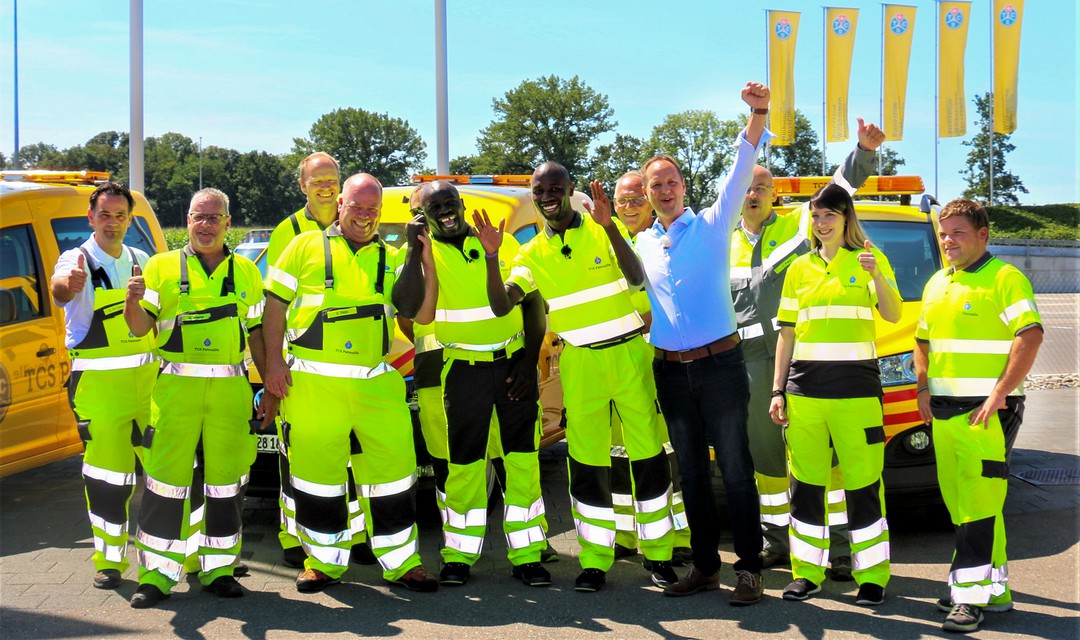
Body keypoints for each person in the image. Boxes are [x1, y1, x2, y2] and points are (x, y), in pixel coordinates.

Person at [474, 163, 674, 593]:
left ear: (569, 191)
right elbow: (500, 305)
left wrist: (611, 228)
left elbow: (637, 277)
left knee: (648, 456)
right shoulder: (529, 254)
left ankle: (659, 555)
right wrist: (492, 257)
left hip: (629, 354)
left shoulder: (604, 229)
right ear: (533, 194)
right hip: (581, 361)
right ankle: (595, 559)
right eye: (540, 189)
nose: (548, 196)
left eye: (555, 188)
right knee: (586, 462)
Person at [262, 173, 438, 594]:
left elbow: (422, 314)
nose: (364, 216)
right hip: (313, 383)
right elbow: (274, 308)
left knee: (395, 476)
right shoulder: (302, 246)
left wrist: (423, 259)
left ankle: (402, 563)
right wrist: (272, 365)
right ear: (340, 204)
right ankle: (322, 563)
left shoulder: (392, 257)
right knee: (317, 479)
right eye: (357, 207)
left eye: (372, 209)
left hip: (375, 384)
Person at [732, 118, 886, 580]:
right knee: (767, 456)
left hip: (798, 358)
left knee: (829, 459)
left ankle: (840, 549)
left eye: (762, 187)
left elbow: (840, 189)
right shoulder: (724, 240)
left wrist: (863, 151)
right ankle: (778, 542)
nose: (753, 194)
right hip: (749, 366)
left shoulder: (799, 227)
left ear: (774, 194)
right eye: (747, 187)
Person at [635, 82, 770, 606]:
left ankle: (751, 571)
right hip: (669, 371)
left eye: (670, 181)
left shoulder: (715, 224)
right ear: (646, 194)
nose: (664, 190)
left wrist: (757, 114)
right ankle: (707, 567)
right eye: (655, 184)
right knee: (690, 473)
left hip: (720, 367)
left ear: (683, 186)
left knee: (735, 469)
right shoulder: (642, 243)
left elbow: (741, 166)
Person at [394, 181, 551, 588]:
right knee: (462, 466)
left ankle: (529, 554)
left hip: (513, 367)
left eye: (450, 204)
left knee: (522, 461)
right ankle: (459, 555)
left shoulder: (497, 240)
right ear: (422, 216)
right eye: (434, 208)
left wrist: (527, 359)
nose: (445, 212)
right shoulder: (423, 254)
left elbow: (533, 301)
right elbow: (408, 309)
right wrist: (415, 250)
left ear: (461, 205)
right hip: (461, 369)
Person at [124, 188, 269, 607]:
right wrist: (132, 302)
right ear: (187, 221)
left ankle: (219, 568)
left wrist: (267, 386)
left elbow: (257, 332)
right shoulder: (161, 266)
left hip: (230, 389)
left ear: (228, 222)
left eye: (213, 217)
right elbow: (139, 329)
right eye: (197, 217)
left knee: (226, 484)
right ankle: (156, 575)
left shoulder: (247, 271)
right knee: (166, 483)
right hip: (176, 389)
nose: (204, 225)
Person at [768, 183, 902, 606]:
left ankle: (873, 577)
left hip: (857, 393)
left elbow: (895, 314)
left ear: (847, 219)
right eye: (816, 215)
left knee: (863, 487)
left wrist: (875, 274)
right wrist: (778, 389)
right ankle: (806, 573)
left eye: (829, 215)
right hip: (805, 392)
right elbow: (787, 335)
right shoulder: (798, 269)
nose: (821, 223)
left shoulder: (870, 260)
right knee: (806, 486)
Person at [914, 199, 1042, 633]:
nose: (948, 241)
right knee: (960, 503)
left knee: (977, 506)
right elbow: (922, 339)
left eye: (958, 233)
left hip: (987, 413)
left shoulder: (1004, 278)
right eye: (944, 233)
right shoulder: (936, 283)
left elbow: (1031, 335)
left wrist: (999, 394)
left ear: (982, 234)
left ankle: (967, 599)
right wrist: (922, 386)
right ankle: (997, 591)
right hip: (946, 412)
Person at [263, 152, 372, 569]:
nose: (326, 186)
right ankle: (293, 537)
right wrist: (276, 363)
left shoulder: (358, 225)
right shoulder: (287, 233)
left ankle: (356, 534)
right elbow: (274, 302)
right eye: (317, 180)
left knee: (350, 455)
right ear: (302, 185)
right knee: (297, 455)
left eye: (332, 179)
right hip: (301, 364)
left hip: (350, 367)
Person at [50, 182, 158, 591]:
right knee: (107, 478)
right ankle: (110, 561)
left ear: (129, 220)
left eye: (120, 216)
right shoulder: (75, 258)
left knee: (166, 473)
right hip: (98, 385)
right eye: (105, 215)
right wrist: (69, 286)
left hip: (148, 383)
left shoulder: (140, 258)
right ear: (91, 218)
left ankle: (173, 556)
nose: (112, 223)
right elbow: (60, 289)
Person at [609, 171, 693, 570]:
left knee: (665, 453)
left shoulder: (659, 240)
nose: (628, 207)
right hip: (611, 362)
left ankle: (678, 536)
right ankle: (624, 535)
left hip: (654, 360)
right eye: (621, 201)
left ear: (647, 198)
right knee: (617, 454)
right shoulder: (603, 240)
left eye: (634, 199)